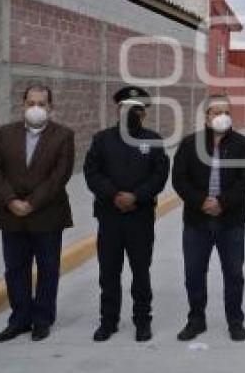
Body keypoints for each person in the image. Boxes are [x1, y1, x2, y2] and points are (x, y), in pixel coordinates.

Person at [0, 84, 74, 343]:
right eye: (31, 103)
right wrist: (12, 200)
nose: (36, 108)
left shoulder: (63, 135)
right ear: (22, 104)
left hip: (47, 215)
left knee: (48, 269)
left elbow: (60, 176)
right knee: (15, 269)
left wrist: (32, 203)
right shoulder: (5, 134)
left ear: (51, 107)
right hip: (10, 214)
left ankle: (42, 319)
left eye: (42, 104)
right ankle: (19, 319)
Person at [84, 86, 169, 342]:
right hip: (109, 216)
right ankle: (108, 321)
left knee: (141, 272)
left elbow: (160, 174)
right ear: (117, 109)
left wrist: (137, 196)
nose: (129, 113)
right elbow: (92, 172)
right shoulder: (102, 139)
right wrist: (115, 195)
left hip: (140, 217)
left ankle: (143, 321)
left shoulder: (153, 139)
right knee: (108, 272)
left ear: (143, 114)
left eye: (136, 110)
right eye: (125, 108)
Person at [172, 95, 245, 342]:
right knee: (194, 273)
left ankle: (235, 321)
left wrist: (222, 202)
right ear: (206, 116)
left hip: (230, 221)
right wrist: (201, 201)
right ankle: (196, 320)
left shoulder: (243, 145)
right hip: (196, 221)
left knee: (233, 273)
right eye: (216, 112)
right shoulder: (190, 144)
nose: (222, 116)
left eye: (226, 112)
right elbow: (179, 178)